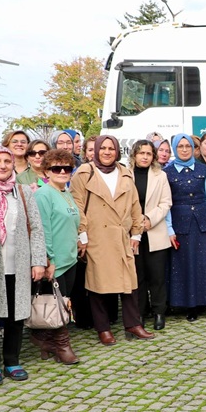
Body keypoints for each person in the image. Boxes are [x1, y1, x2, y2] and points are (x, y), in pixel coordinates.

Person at [0, 146, 47, 385]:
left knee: (16, 314)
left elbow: (36, 228)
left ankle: (12, 360)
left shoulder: (23, 191)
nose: (3, 165)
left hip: (18, 262)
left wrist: (37, 260)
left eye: (7, 161)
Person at [71, 134, 152, 345]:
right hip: (96, 236)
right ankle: (103, 328)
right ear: (96, 150)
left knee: (129, 283)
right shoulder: (84, 174)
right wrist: (82, 235)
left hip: (121, 236)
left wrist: (136, 233)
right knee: (98, 285)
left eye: (111, 148)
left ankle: (133, 324)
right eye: (103, 148)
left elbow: (135, 205)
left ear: (117, 151)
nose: (107, 152)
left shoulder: (125, 174)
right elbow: (77, 206)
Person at [165, 134, 206, 321]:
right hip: (180, 225)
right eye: (180, 146)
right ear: (175, 148)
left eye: (187, 146)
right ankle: (191, 305)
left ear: (193, 148)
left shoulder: (202, 169)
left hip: (203, 223)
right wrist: (169, 229)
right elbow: (166, 202)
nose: (184, 149)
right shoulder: (167, 172)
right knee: (185, 265)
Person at [32, 148, 81, 364]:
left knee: (65, 302)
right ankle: (62, 345)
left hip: (70, 257)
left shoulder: (66, 192)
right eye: (56, 168)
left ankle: (47, 342)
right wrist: (48, 259)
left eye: (67, 168)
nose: (62, 171)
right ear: (47, 171)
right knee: (58, 304)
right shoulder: (43, 194)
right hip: (55, 260)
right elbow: (43, 228)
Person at [129, 140, 172, 330]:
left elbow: (166, 203)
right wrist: (136, 222)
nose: (145, 157)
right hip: (132, 233)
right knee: (138, 276)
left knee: (157, 276)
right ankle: (139, 312)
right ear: (134, 155)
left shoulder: (160, 176)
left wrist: (148, 219)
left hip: (154, 230)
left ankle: (159, 312)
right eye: (141, 153)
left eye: (148, 153)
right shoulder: (125, 175)